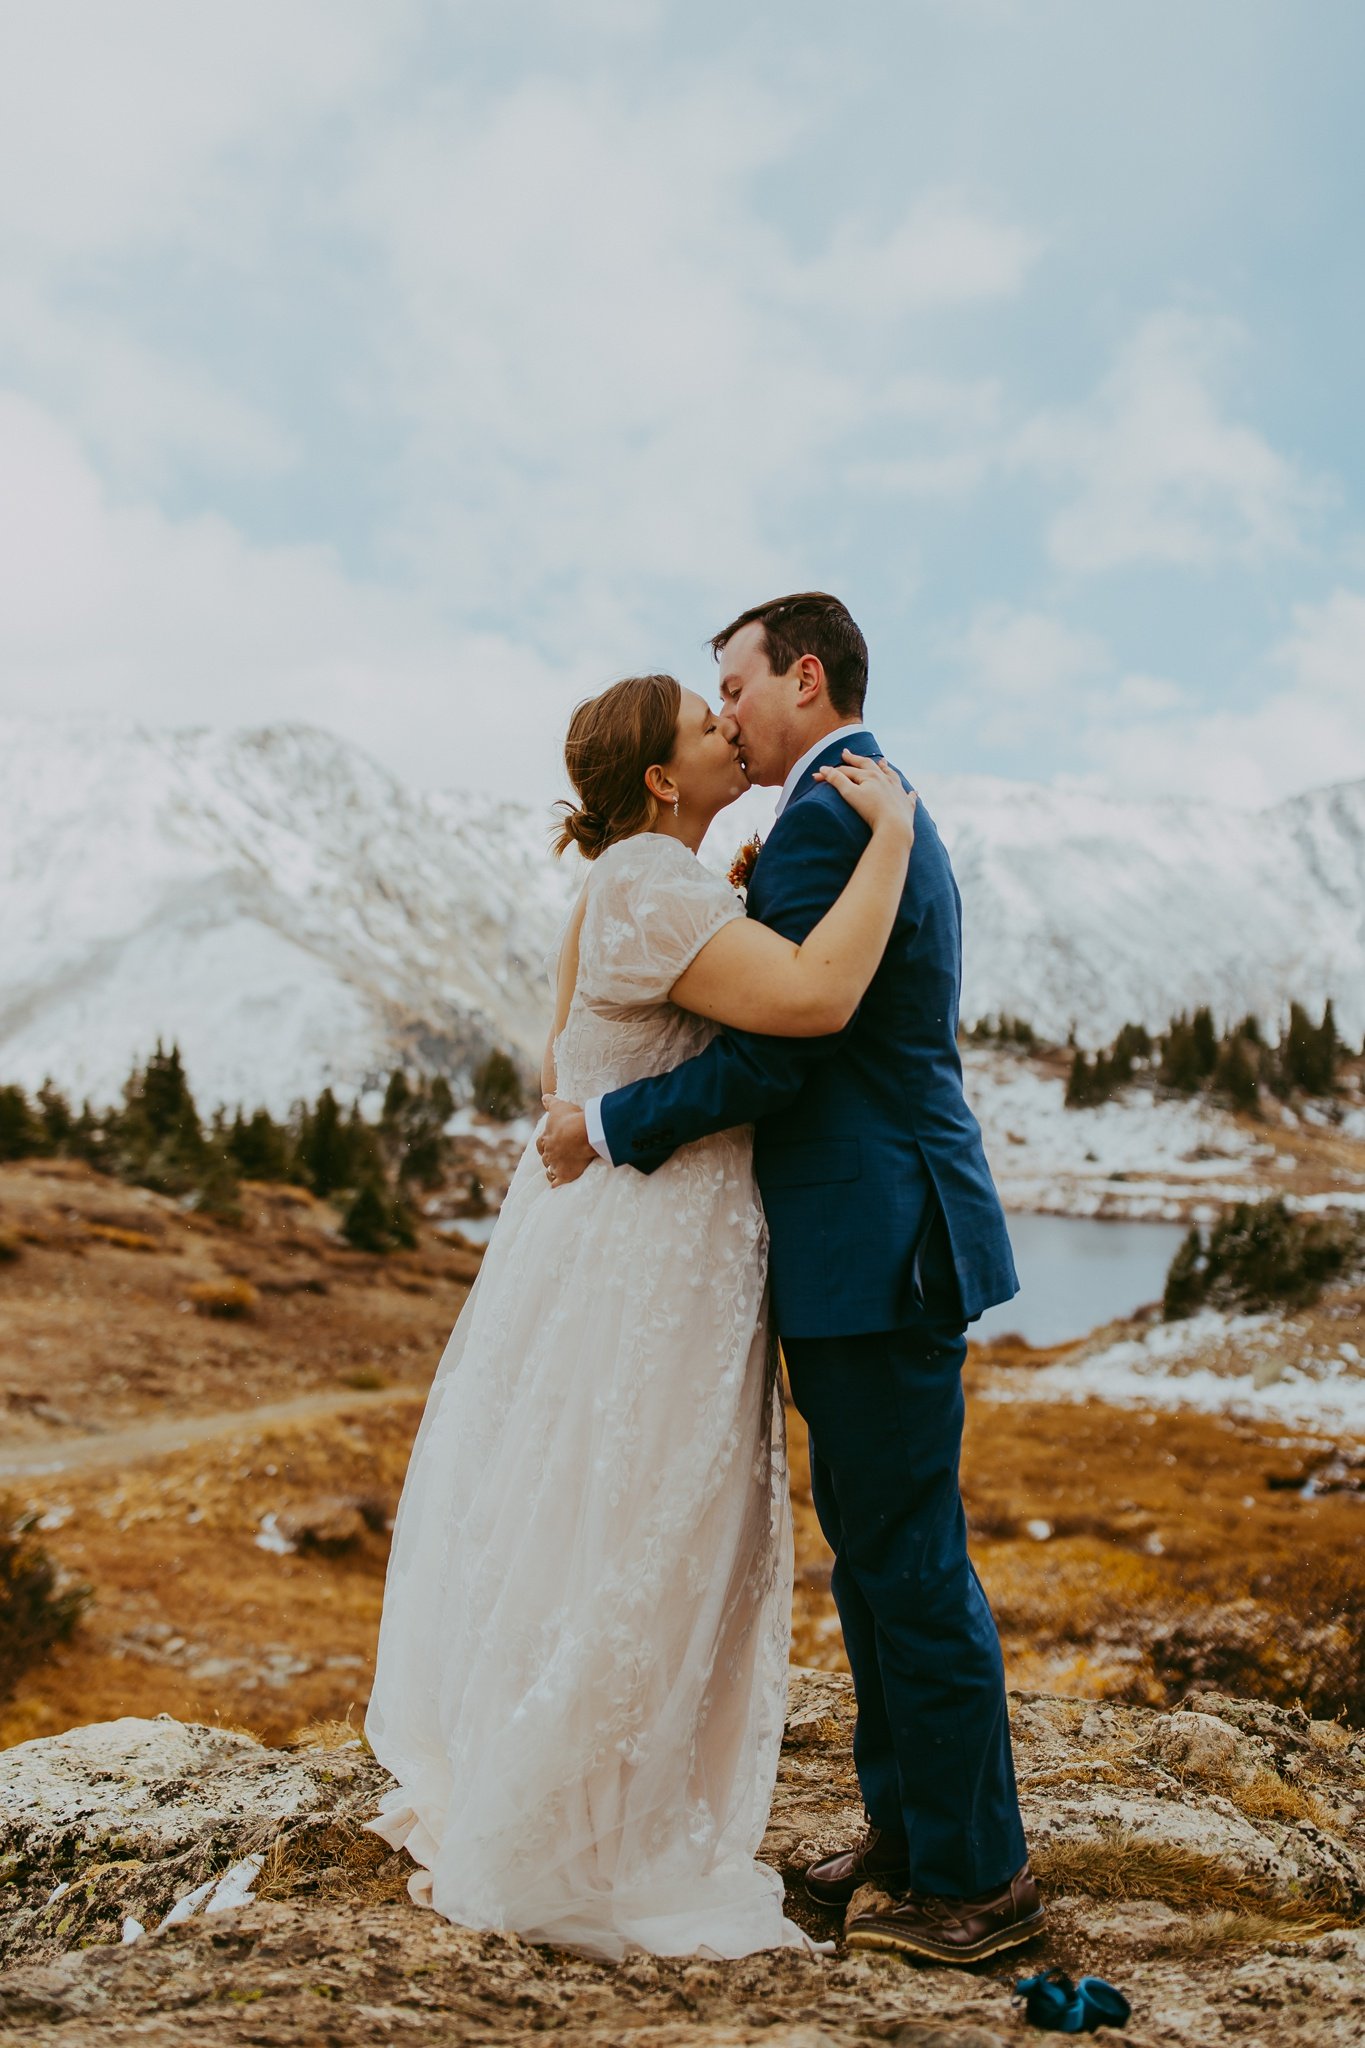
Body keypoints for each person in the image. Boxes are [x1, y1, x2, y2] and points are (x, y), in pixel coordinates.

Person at [365, 668, 917, 1961]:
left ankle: (569, 1798)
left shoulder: (625, 882)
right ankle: (593, 1833)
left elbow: (565, 1063)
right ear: (662, 779)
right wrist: (892, 837)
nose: (732, 731)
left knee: (599, 1513)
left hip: (624, 1237)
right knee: (647, 1522)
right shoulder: (650, 881)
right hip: (662, 1246)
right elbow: (810, 1005)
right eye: (704, 725)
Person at [540, 593, 1042, 1968]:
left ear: (801, 678)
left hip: (873, 1244)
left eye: (734, 686)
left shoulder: (842, 814)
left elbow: (784, 1052)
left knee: (908, 1563)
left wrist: (610, 1124)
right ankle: (911, 1829)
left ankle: (976, 1885)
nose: (728, 713)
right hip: (865, 1241)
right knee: (881, 1561)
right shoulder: (842, 811)